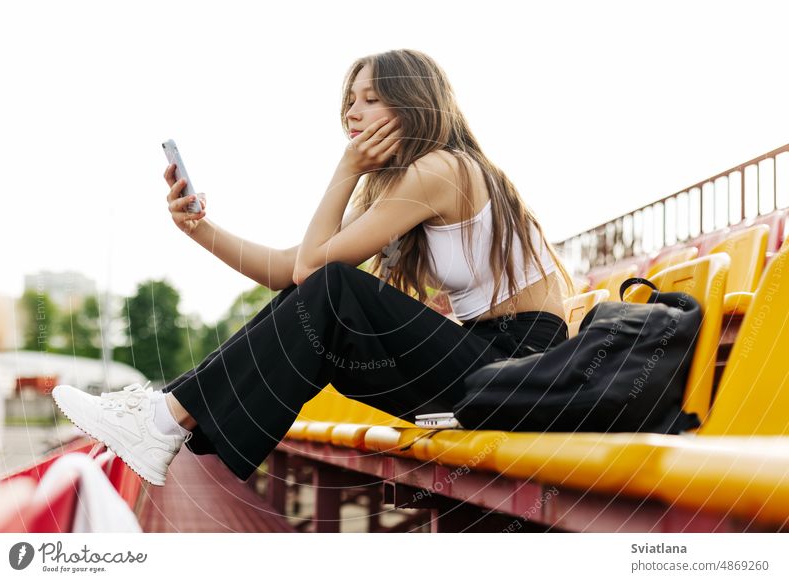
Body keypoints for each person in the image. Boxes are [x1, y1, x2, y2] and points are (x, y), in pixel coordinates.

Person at [52, 48, 574, 487]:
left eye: (371, 99)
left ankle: (164, 419)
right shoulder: (404, 186)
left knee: (333, 287)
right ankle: (166, 417)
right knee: (324, 296)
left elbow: (310, 271)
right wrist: (200, 230)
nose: (353, 113)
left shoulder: (442, 168)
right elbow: (290, 271)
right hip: (485, 370)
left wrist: (346, 168)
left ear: (415, 105)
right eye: (350, 101)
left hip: (522, 373)